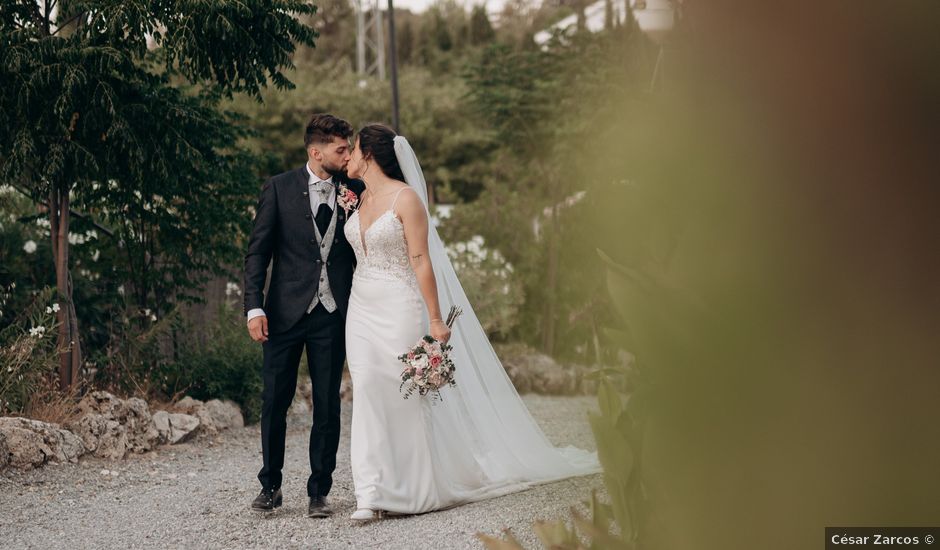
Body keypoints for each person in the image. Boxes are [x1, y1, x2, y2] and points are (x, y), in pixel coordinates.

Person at [342, 124, 600, 521]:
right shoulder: (358, 200)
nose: (349, 156)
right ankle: (371, 492)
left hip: (398, 305)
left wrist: (434, 317)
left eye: (354, 148)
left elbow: (420, 260)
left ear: (370, 154)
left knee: (402, 392)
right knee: (368, 388)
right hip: (360, 308)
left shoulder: (406, 198)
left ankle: (414, 488)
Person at [243, 114, 364, 517]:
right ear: (316, 152)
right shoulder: (278, 188)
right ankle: (270, 485)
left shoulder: (356, 190)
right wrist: (253, 306)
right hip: (283, 315)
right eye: (340, 149)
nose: (347, 156)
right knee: (275, 401)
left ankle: (319, 491)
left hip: (333, 314)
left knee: (328, 404)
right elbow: (258, 252)